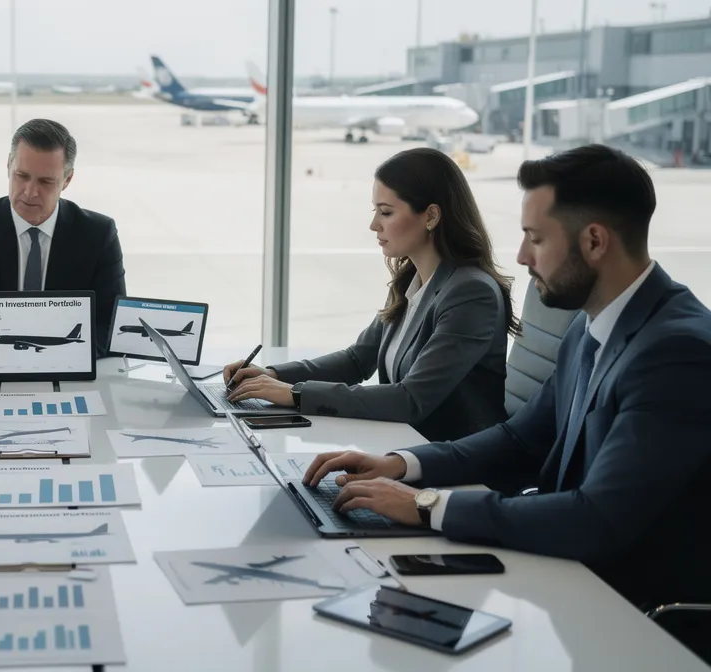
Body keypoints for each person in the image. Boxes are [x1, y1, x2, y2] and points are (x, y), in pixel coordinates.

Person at [303, 144, 711, 616]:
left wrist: (426, 506)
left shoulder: (676, 353)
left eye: (535, 239)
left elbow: (597, 519)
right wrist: (400, 464)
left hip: (632, 614)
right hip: (565, 576)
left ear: (595, 242)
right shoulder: (589, 323)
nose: (520, 257)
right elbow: (520, 438)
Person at [223, 148, 518, 441]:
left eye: (386, 212)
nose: (374, 224)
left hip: (451, 462)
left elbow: (411, 399)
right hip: (402, 445)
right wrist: (274, 375)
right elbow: (357, 360)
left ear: (431, 215)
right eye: (375, 211)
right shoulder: (413, 281)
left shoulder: (471, 294)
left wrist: (295, 394)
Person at [0, 118, 126, 356]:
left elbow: (112, 327)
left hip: (67, 365)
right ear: (9, 165)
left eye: (46, 181)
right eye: (21, 175)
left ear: (67, 179)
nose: (30, 192)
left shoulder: (98, 234)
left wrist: (51, 357)